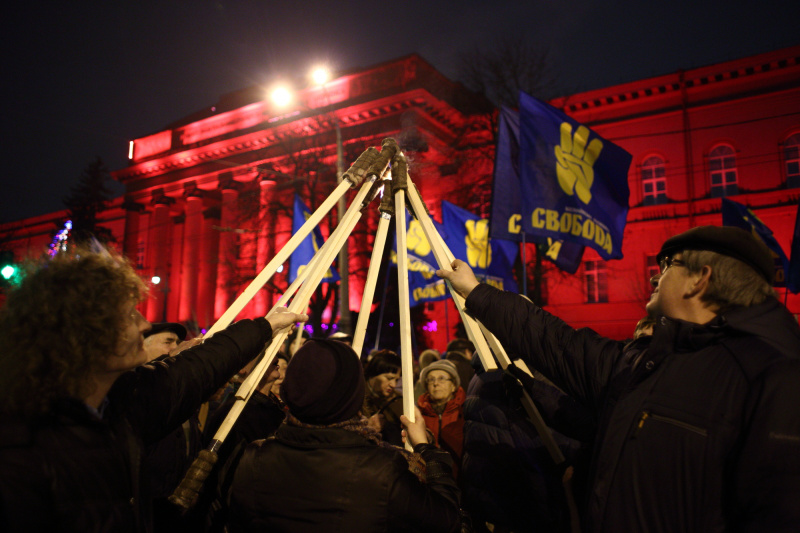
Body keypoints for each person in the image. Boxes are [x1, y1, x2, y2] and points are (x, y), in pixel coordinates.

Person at [438, 225, 800, 531]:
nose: (657, 274)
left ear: (699, 280)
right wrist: (475, 291)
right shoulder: (640, 362)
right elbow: (556, 342)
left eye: (669, 265)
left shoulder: (769, 378)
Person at [0, 248, 307, 533]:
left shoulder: (123, 400)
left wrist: (264, 327)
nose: (145, 324)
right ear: (85, 335)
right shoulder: (22, 458)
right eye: (129, 315)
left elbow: (194, 371)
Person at [228, 339, 461, 532]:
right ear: (351, 394)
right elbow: (446, 520)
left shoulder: (255, 456)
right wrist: (426, 449)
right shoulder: (381, 469)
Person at [417, 359, 466, 475]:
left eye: (442, 378)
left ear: (453, 385)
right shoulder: (418, 415)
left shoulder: (464, 412)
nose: (435, 383)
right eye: (431, 379)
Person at [362, 349, 404, 446]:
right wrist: (365, 429)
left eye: (397, 380)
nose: (393, 384)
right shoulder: (355, 397)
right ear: (373, 374)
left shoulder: (397, 400)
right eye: (389, 378)